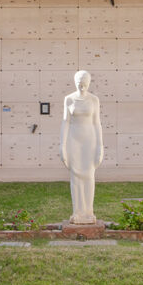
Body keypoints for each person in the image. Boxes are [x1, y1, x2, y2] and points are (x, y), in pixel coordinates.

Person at [61, 70, 104, 224]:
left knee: (89, 175)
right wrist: (62, 146)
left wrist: (100, 146)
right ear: (75, 81)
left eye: (85, 81)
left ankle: (88, 212)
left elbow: (97, 123)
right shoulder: (69, 99)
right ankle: (77, 212)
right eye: (79, 81)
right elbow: (65, 122)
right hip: (73, 140)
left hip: (90, 141)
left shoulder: (94, 100)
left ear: (89, 82)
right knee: (75, 176)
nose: (82, 84)